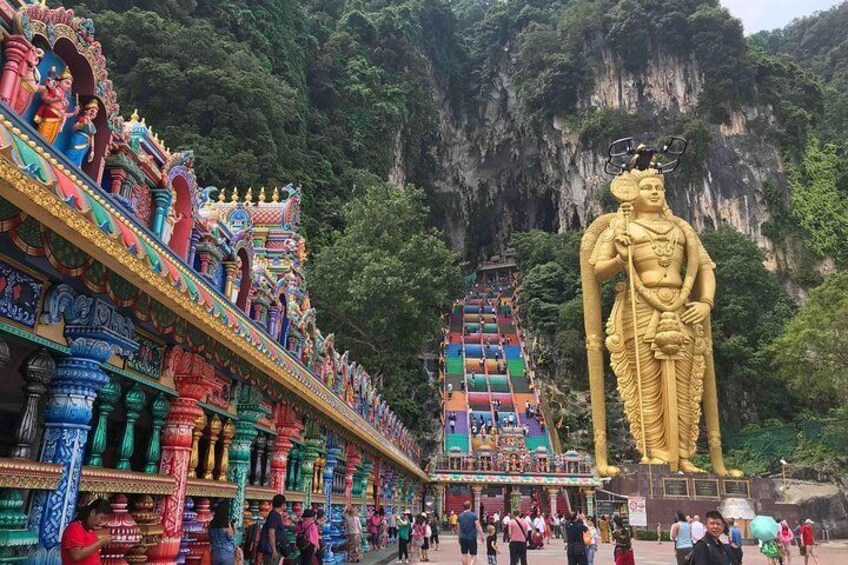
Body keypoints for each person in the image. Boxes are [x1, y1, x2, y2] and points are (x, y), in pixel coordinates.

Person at [61, 498, 112, 564]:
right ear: (93, 512)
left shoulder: (91, 531)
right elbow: (77, 555)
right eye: (101, 518)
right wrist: (100, 542)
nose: (101, 522)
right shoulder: (74, 528)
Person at [258, 494, 287, 565]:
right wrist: (274, 550)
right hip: (270, 550)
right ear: (282, 504)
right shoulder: (274, 516)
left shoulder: (274, 515)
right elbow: (271, 533)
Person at [458, 500, 486, 565]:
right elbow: (478, 527)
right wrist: (482, 536)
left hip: (463, 537)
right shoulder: (474, 516)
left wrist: (459, 538)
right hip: (472, 537)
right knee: (473, 555)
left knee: (464, 554)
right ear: (470, 506)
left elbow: (459, 529)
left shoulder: (460, 516)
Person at [209, 500, 235, 565]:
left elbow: (210, 539)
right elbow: (231, 538)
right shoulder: (226, 526)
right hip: (227, 553)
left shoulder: (212, 525)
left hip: (215, 554)